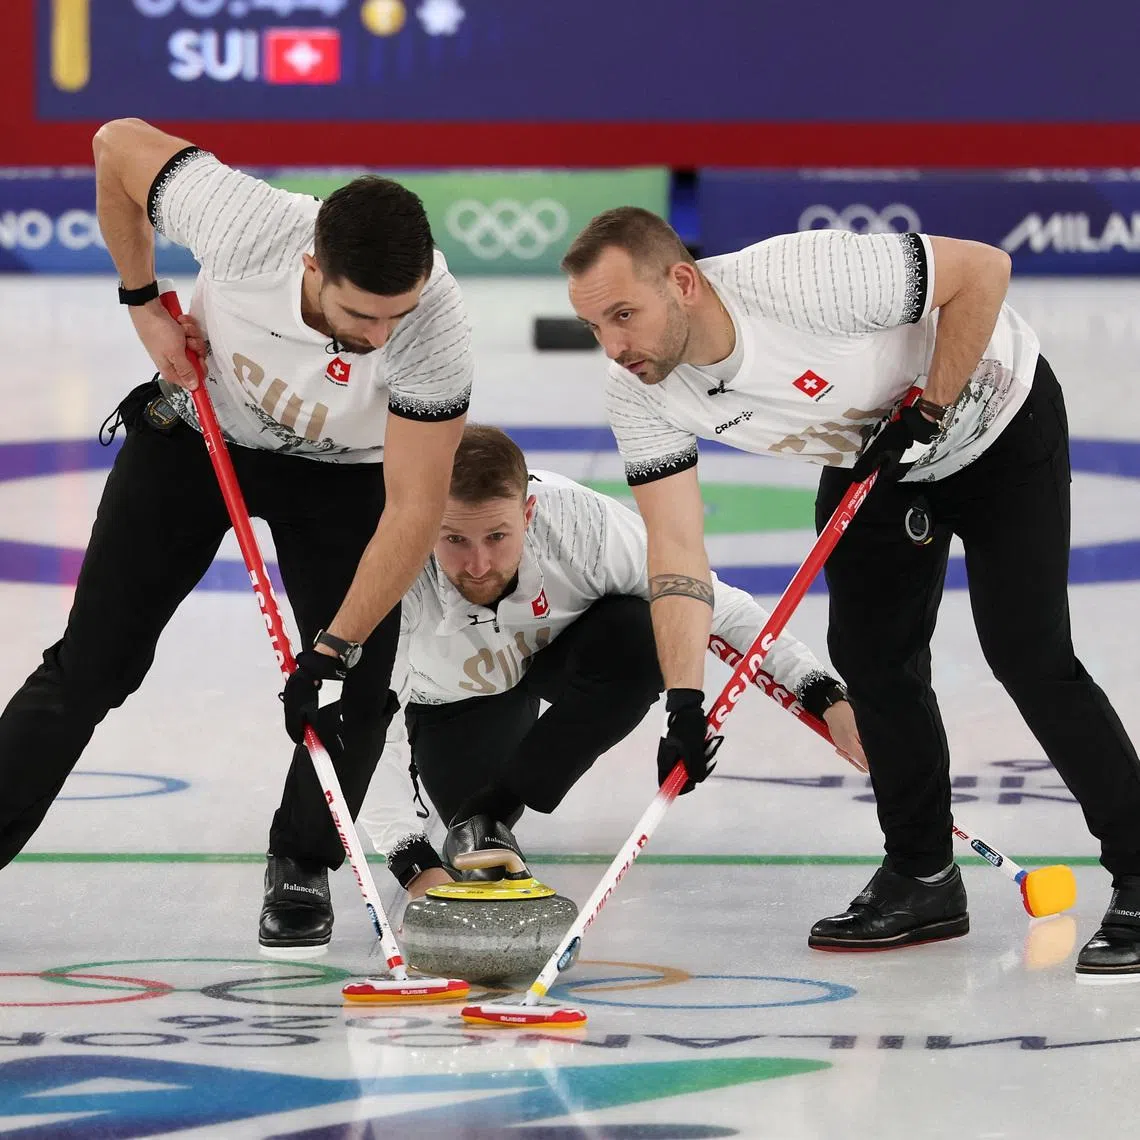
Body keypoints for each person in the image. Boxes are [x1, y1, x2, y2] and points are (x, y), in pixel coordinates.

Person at [560, 206, 1140, 981]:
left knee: (1027, 654)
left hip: (998, 424)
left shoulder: (800, 279)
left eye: (624, 315)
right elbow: (675, 550)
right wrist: (684, 702)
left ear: (683, 283)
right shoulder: (639, 393)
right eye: (595, 327)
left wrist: (930, 409)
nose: (614, 346)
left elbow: (984, 271)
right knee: (871, 659)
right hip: (877, 455)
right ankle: (922, 875)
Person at [0, 119, 472, 957]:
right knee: (92, 666)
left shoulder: (434, 325)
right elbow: (116, 144)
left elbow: (412, 509)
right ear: (312, 267)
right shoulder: (249, 226)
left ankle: (302, 861)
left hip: (345, 475)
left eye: (396, 317)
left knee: (356, 693)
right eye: (361, 316)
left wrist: (333, 649)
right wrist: (141, 301)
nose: (381, 338)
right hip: (200, 432)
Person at [355, 423, 863, 895]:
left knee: (643, 634)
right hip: (452, 699)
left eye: (497, 536)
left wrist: (823, 695)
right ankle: (470, 807)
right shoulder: (394, 571)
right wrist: (412, 862)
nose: (479, 564)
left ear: (527, 514)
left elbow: (713, 606)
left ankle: (495, 803)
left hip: (564, 656)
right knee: (472, 852)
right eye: (454, 539)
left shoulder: (583, 526)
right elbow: (365, 720)